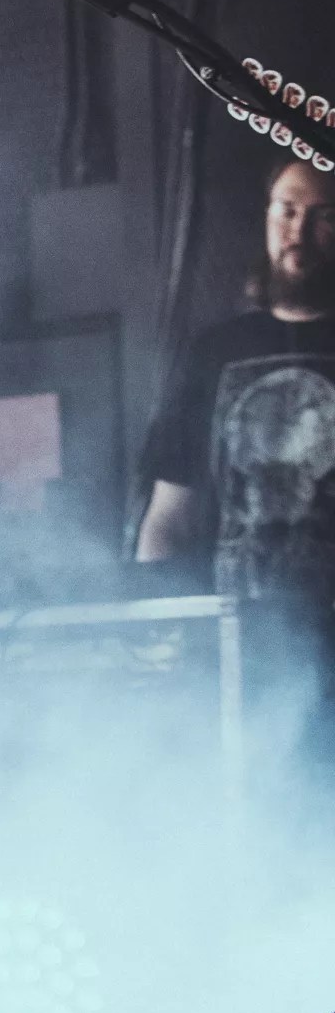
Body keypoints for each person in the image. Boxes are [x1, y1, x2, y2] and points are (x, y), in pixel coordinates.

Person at [136, 158, 335, 777]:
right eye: (287, 209)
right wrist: (162, 631)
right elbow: (170, 514)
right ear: (267, 217)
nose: (298, 230)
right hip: (237, 658)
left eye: (322, 215)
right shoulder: (213, 354)